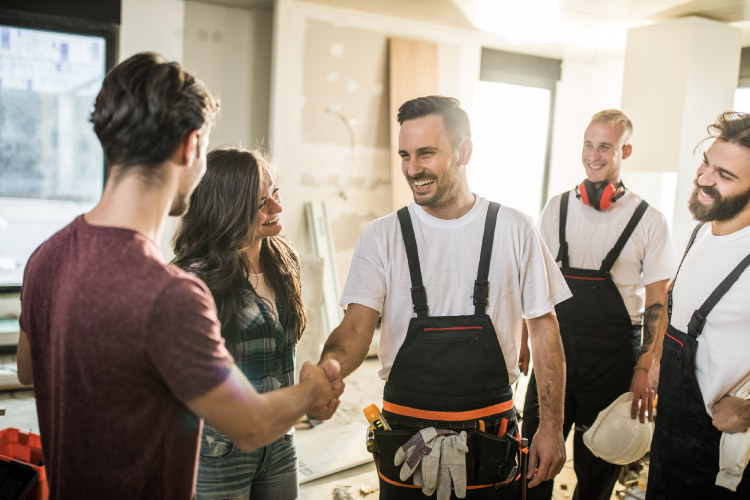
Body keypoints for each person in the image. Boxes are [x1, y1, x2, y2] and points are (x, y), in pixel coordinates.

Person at [15, 52, 341, 499]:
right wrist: (312, 389)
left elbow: (29, 371)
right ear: (191, 147)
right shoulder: (172, 294)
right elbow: (249, 426)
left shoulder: (45, 258)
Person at [315, 95, 571, 499]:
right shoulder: (382, 236)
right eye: (405, 155)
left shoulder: (515, 229)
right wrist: (330, 365)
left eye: (426, 153)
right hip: (405, 442)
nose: (412, 168)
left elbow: (543, 329)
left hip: (493, 440)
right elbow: (355, 326)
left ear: (464, 150)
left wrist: (551, 426)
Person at [520, 109, 675, 500]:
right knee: (531, 463)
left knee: (597, 468)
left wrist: (647, 367)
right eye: (588, 144)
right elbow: (534, 281)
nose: (593, 154)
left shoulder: (649, 220)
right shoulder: (557, 208)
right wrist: (522, 339)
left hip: (612, 363)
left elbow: (658, 300)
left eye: (605, 146)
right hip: (556, 352)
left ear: (626, 150)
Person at [172, 147, 306, 500]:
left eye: (275, 192)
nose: (277, 208)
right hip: (219, 450)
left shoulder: (282, 263)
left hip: (279, 440)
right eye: (261, 203)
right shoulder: (195, 280)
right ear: (227, 209)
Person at [647, 111, 750, 498]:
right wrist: (656, 359)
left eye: (724, 175)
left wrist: (749, 413)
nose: (704, 178)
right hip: (669, 441)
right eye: (706, 163)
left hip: (716, 463)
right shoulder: (700, 233)